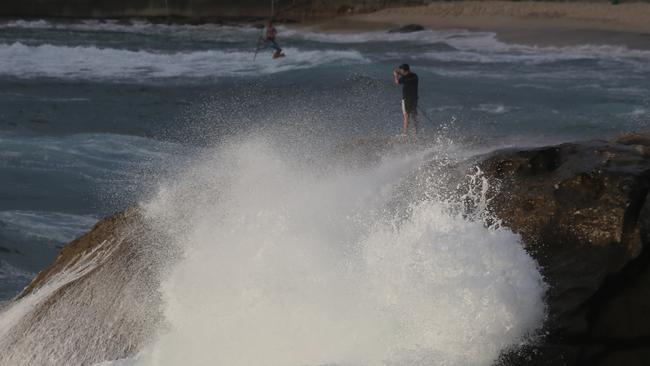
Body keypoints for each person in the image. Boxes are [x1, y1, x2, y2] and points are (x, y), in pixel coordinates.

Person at [393, 64, 418, 136]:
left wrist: (395, 75)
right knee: (414, 115)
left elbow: (397, 82)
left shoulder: (404, 78)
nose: (400, 71)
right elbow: (406, 76)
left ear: (404, 70)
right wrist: (401, 73)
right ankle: (416, 131)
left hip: (406, 98)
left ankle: (405, 133)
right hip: (414, 98)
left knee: (406, 115)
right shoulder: (415, 76)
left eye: (401, 70)